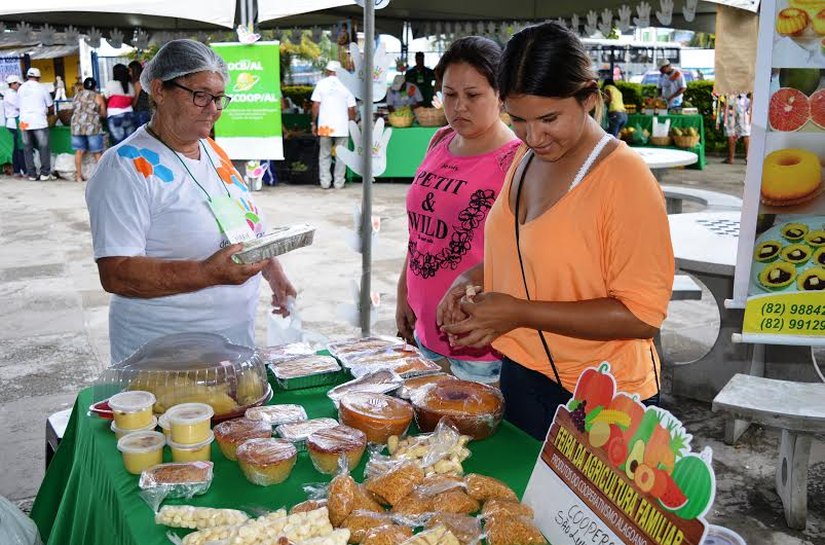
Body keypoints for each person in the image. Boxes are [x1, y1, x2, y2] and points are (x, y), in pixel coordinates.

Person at [437, 22, 674, 441]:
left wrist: (518, 312)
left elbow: (642, 316)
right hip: (523, 373)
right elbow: (526, 255)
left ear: (589, 99)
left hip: (603, 398)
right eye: (519, 119)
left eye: (549, 118)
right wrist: (470, 280)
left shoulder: (624, 177)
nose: (533, 136)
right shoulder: (525, 160)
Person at [85, 39, 296, 363]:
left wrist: (271, 267)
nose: (213, 109)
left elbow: (239, 224)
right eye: (200, 96)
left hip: (231, 347)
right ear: (159, 90)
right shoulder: (124, 167)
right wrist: (207, 272)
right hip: (164, 358)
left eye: (218, 98)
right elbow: (117, 273)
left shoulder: (211, 150)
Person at [396, 36, 520, 385]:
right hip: (424, 328)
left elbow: (524, 254)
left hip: (477, 345)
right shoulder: (439, 141)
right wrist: (403, 290)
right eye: (450, 94)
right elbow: (419, 230)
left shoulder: (517, 160)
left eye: (473, 95)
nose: (459, 106)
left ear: (500, 94)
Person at [310, 60, 356, 189]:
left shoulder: (321, 84)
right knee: (341, 155)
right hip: (342, 127)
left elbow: (315, 105)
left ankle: (325, 182)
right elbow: (351, 109)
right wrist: (352, 122)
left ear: (327, 71)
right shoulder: (347, 85)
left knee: (324, 154)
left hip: (325, 127)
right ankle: (338, 183)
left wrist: (313, 122)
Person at [18, 67, 55, 181]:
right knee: (43, 147)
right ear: (38, 77)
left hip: (24, 121)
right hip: (39, 121)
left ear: (28, 76)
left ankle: (31, 174)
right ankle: (44, 173)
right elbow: (50, 105)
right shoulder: (42, 88)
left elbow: (18, 104)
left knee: (27, 148)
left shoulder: (21, 88)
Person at [70, 77, 106, 182]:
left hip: (77, 126)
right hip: (92, 126)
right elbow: (103, 113)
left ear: (84, 86)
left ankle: (78, 177)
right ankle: (102, 178)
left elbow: (74, 109)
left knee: (79, 151)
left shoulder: (77, 95)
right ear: (94, 87)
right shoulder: (97, 96)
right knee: (97, 152)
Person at [103, 63, 136, 145]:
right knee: (129, 143)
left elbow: (105, 97)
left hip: (114, 115)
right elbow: (132, 98)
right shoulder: (130, 85)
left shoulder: (110, 84)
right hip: (129, 114)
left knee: (117, 144)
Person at [2, 75, 25, 177]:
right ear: (13, 84)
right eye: (18, 84)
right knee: (19, 147)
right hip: (14, 122)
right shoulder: (12, 95)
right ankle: (22, 170)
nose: (19, 86)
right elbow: (20, 106)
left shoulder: (10, 93)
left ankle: (17, 170)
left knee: (17, 147)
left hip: (14, 122)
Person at [723, 93, 751, 165]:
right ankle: (748, 158)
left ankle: (731, 158)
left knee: (731, 131)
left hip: (731, 99)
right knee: (746, 132)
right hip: (743, 101)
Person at [129, 60, 152, 128]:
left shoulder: (138, 83)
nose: (129, 73)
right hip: (147, 111)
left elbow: (136, 98)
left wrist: (130, 107)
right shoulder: (144, 80)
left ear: (134, 70)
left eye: (130, 70)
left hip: (141, 111)